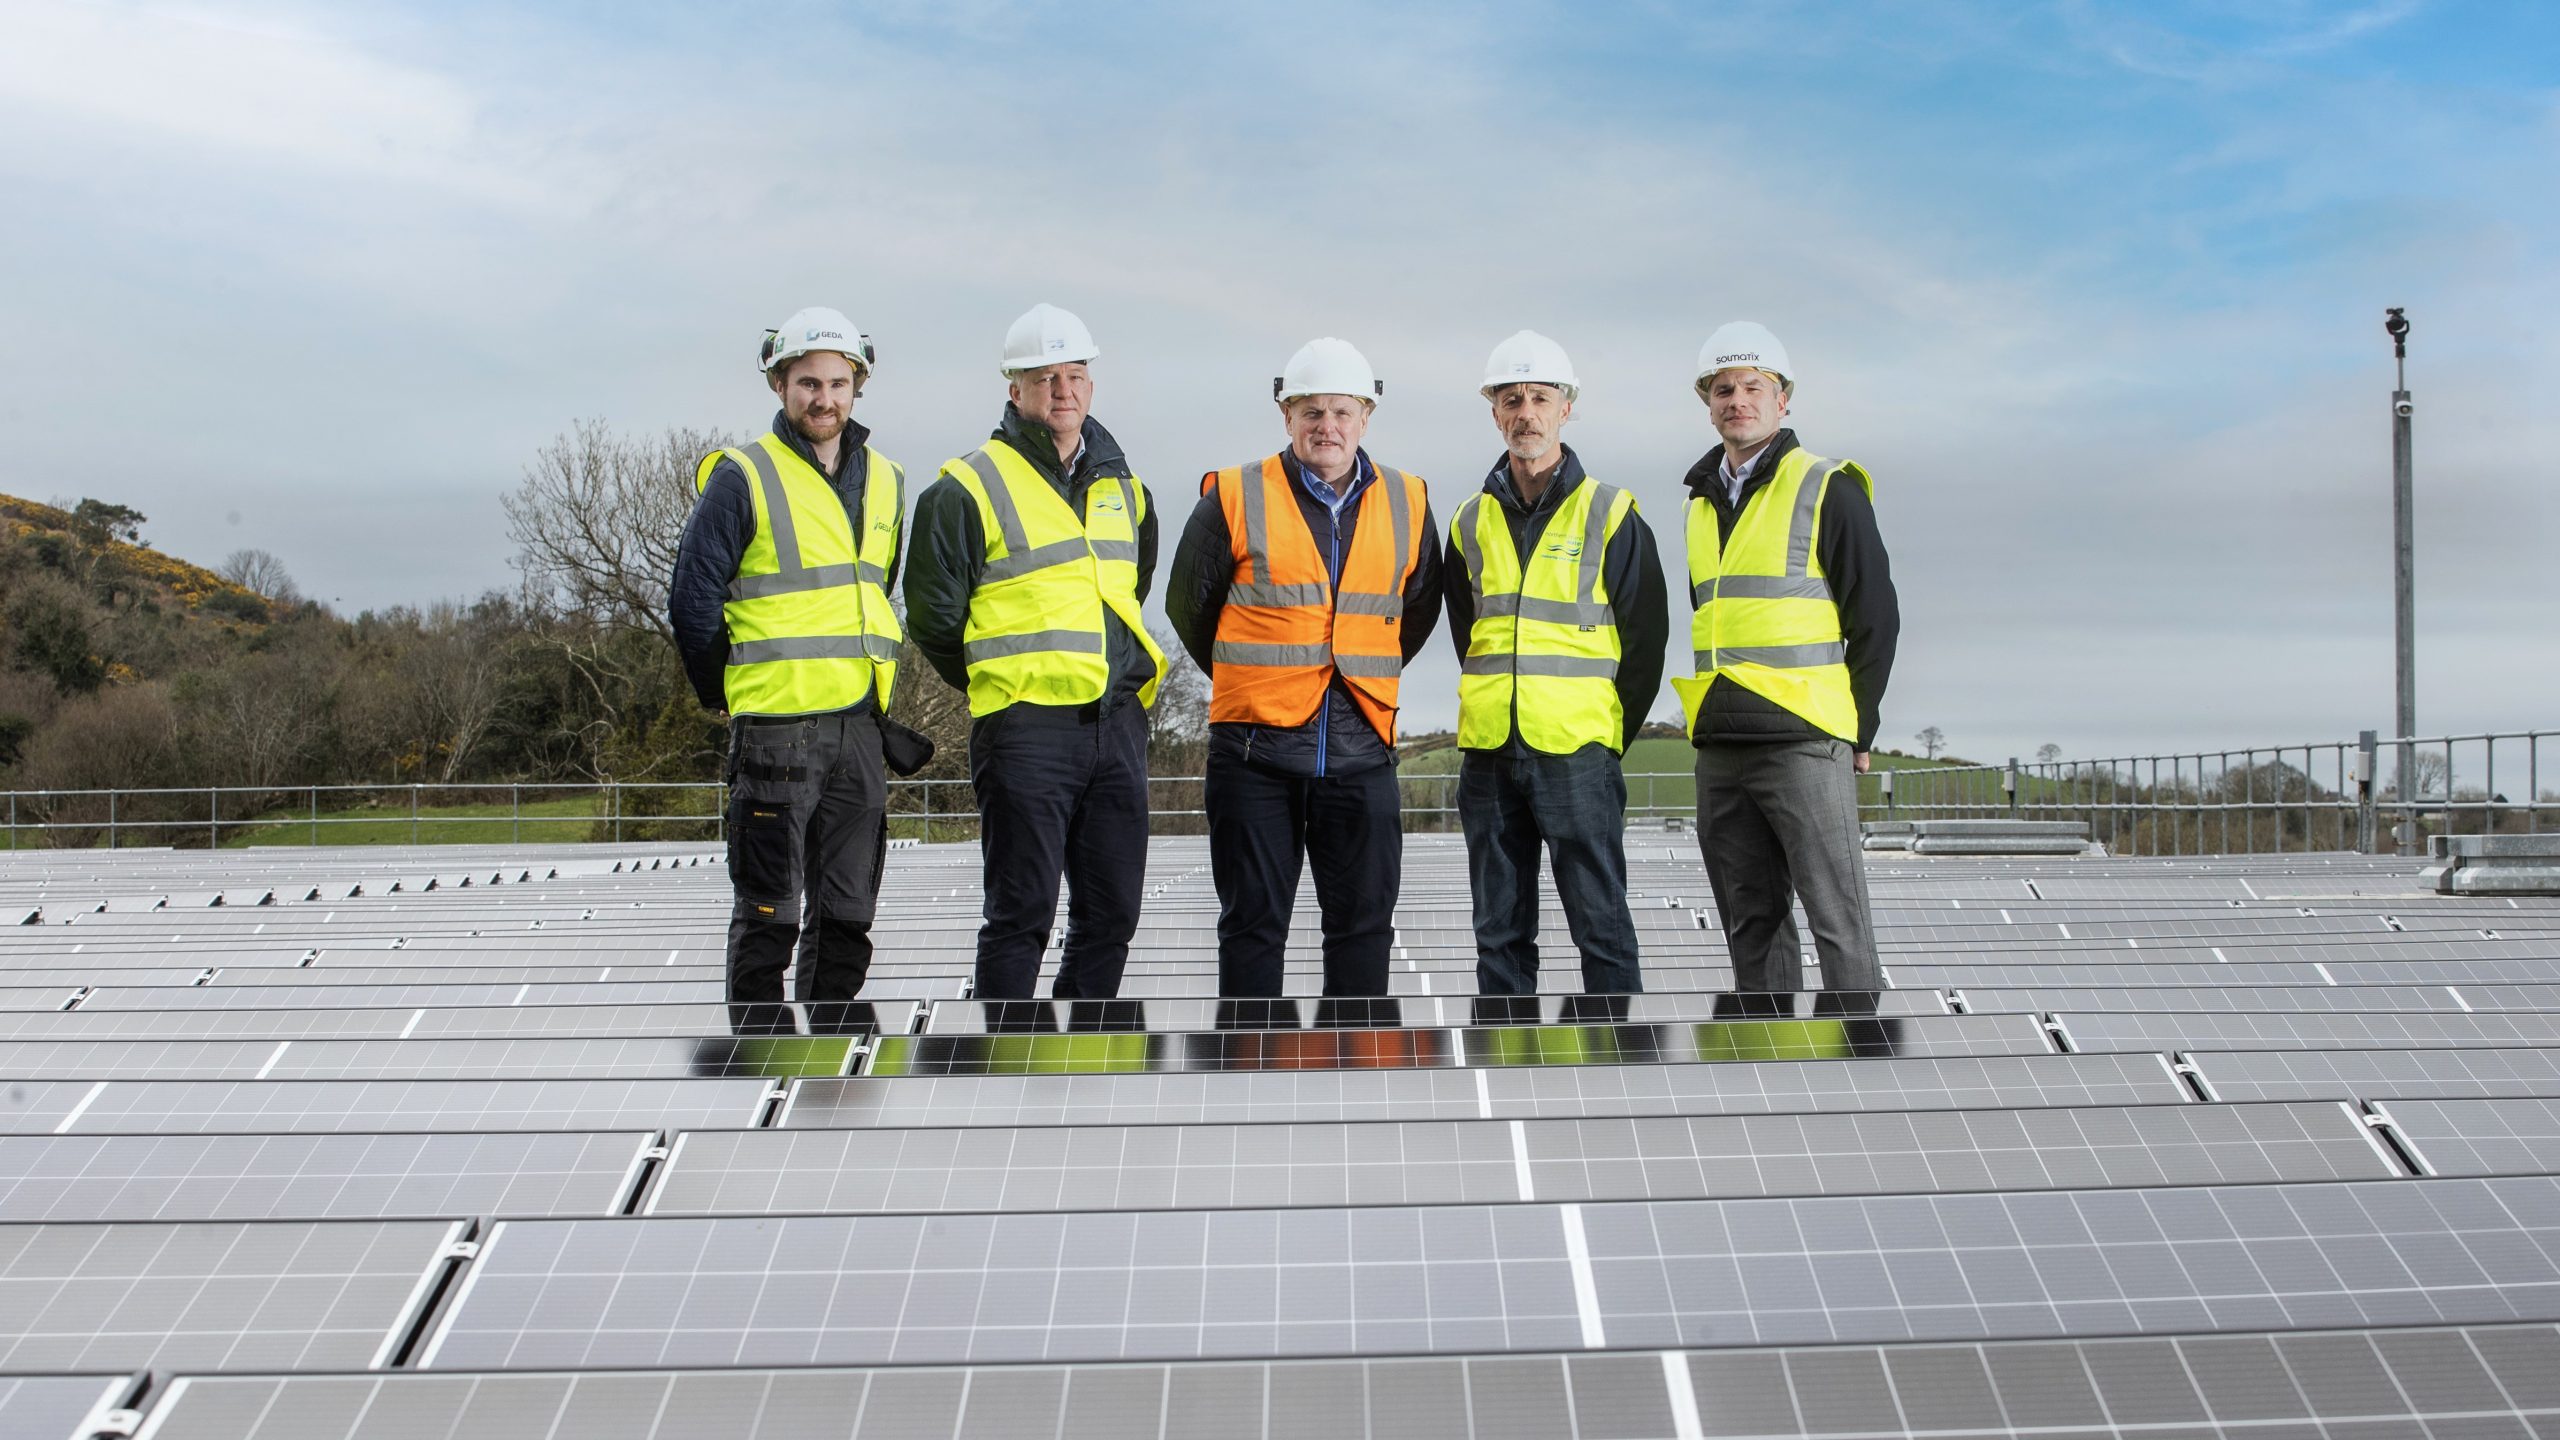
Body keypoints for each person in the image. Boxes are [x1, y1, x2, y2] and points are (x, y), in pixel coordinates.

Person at [1168, 338, 1442, 1012]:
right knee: (1253, 929)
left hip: (1362, 749)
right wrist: (1254, 680)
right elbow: (1189, 606)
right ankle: (1251, 1088)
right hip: (1254, 753)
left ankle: (1350, 1087)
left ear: (1366, 416)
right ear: (1286, 415)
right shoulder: (1234, 495)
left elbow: (1419, 607)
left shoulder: (1409, 500)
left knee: (1362, 929)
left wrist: (1356, 669)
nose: (1328, 426)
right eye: (1311, 411)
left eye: (1342, 411)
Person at [906, 303, 1162, 1004]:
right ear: (1013, 389)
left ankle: (1075, 1067)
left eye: (1075, 374)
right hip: (1025, 728)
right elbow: (933, 617)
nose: (1063, 390)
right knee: (1022, 915)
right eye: (1044, 377)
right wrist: (1004, 679)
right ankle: (1008, 1077)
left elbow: (1131, 585)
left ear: (1090, 384)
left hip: (1116, 725)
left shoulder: (1126, 488)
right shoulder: (965, 488)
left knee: (1112, 914)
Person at [670, 307, 903, 1035]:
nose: (824, 398)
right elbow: (693, 598)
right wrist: (723, 692)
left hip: (859, 730)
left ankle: (830, 1063)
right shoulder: (743, 476)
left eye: (837, 382)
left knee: (848, 912)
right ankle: (760, 1067)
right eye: (808, 382)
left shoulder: (890, 480)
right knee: (771, 909)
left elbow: (877, 590)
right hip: (777, 730)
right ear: (779, 384)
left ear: (858, 385)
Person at [1669, 322, 1899, 1012]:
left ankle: (1859, 1064)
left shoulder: (1827, 486)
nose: (1737, 400)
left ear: (1783, 398)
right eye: (1723, 389)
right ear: (1708, 403)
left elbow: (1874, 617)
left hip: (1805, 735)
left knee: (1837, 916)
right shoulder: (1700, 503)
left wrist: (1859, 729)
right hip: (1723, 741)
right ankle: (1773, 1061)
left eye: (1752, 388)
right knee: (1751, 921)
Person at [1444, 331, 1669, 1006]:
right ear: (1494, 412)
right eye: (1511, 399)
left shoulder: (1611, 512)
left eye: (1540, 398)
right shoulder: (1468, 520)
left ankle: (1616, 1069)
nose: (1526, 413)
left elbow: (1645, 644)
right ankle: (1510, 1071)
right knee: (1498, 931)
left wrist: (1601, 735)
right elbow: (1469, 633)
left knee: (1601, 925)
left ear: (1566, 408)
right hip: (1489, 754)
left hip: (1578, 755)